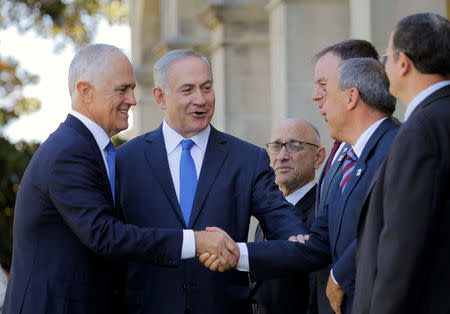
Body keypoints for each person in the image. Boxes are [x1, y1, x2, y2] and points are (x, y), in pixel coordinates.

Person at [2, 44, 239, 314]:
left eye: (132, 89)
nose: (133, 100)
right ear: (85, 91)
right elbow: (104, 235)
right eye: (122, 90)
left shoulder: (92, 149)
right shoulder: (70, 150)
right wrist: (194, 242)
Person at [115, 49, 307, 314]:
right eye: (187, 90)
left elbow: (280, 218)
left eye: (207, 88)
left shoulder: (247, 159)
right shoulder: (124, 161)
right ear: (160, 97)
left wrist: (295, 238)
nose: (201, 100)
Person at [207, 58, 399, 314]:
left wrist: (341, 274)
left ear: (351, 97)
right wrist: (234, 253)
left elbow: (394, 226)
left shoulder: (399, 146)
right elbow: (317, 244)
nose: (320, 105)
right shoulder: (346, 162)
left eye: (326, 92)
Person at [353, 13, 450, 314]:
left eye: (387, 57)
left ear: (404, 63)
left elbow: (404, 241)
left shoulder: (420, 130)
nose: (385, 66)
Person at [311, 39, 379, 314]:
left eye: (323, 85)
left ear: (351, 90)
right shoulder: (341, 150)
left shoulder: (394, 147)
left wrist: (340, 275)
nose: (316, 95)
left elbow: (387, 226)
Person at [251, 118, 326, 314]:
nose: (282, 156)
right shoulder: (266, 216)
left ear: (318, 157)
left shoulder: (323, 214)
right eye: (276, 147)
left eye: (295, 146)